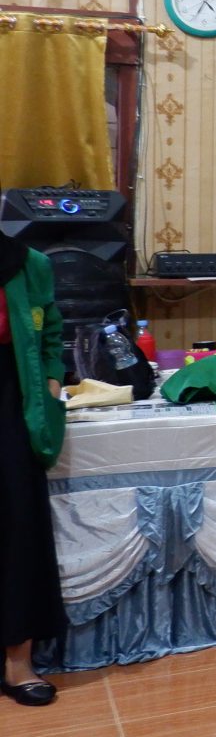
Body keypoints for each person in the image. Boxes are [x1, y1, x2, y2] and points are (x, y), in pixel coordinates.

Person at [0, 234, 64, 707]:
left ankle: (17, 662)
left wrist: (52, 385)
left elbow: (51, 333)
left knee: (18, 526)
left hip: (12, 401)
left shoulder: (29, 263)